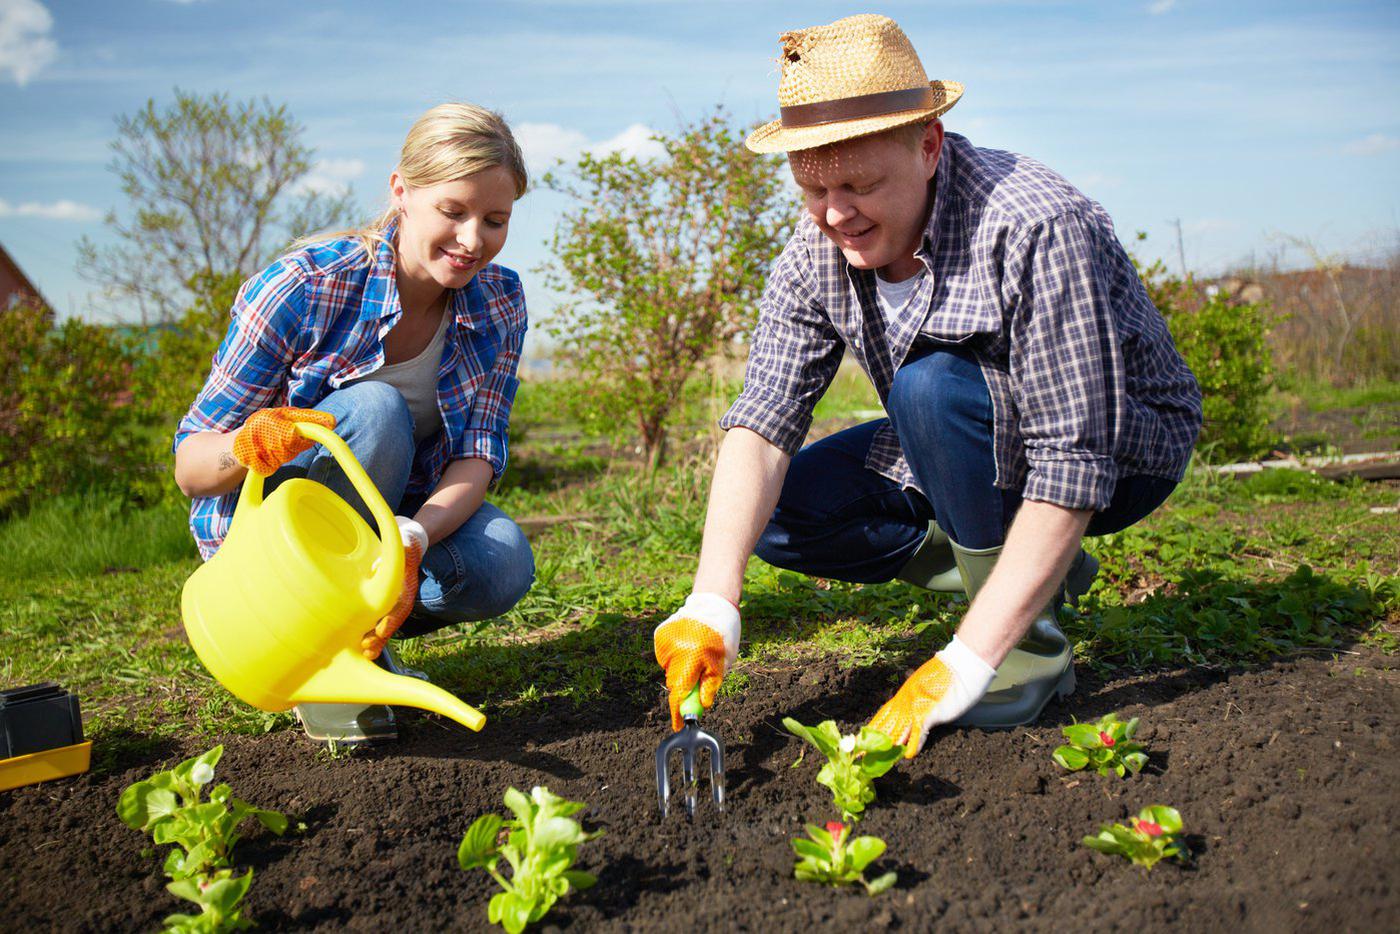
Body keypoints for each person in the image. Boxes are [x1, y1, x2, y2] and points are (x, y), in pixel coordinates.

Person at [652, 15, 1202, 757]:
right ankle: (1031, 571)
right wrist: (713, 603)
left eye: (860, 185)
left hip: (1122, 450)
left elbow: (1076, 458)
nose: (836, 215)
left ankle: (1024, 651)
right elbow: (763, 420)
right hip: (960, 436)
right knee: (778, 516)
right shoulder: (814, 253)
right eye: (812, 189)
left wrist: (965, 662)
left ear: (930, 145)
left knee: (929, 388)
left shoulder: (1035, 225)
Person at [173, 103, 536, 746]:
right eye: (452, 211)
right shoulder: (305, 286)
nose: (473, 239)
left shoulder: (500, 301)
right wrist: (247, 442)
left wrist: (414, 538)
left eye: (494, 219)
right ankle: (310, 642)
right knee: (375, 411)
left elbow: (476, 455)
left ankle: (362, 640)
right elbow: (191, 467)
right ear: (402, 191)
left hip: (383, 521)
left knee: (502, 560)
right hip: (272, 556)